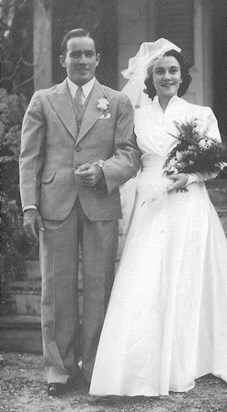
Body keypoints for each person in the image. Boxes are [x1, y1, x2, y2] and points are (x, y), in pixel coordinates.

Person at [89, 38, 227, 396]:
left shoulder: (200, 113)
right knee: (146, 272)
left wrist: (188, 176)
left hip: (187, 199)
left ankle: (187, 357)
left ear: (182, 75)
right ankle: (143, 359)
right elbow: (127, 156)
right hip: (149, 196)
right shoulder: (138, 115)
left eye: (172, 70)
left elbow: (217, 160)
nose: (166, 76)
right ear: (150, 78)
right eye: (159, 71)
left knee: (185, 272)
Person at [19, 28, 140, 397]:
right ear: (62, 59)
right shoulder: (43, 99)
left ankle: (94, 366)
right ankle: (59, 369)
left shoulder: (116, 101)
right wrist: (29, 204)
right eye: (75, 55)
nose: (82, 61)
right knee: (56, 289)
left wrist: (104, 170)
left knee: (100, 287)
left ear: (99, 58)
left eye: (89, 54)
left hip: (99, 202)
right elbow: (29, 157)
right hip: (55, 204)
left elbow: (130, 154)